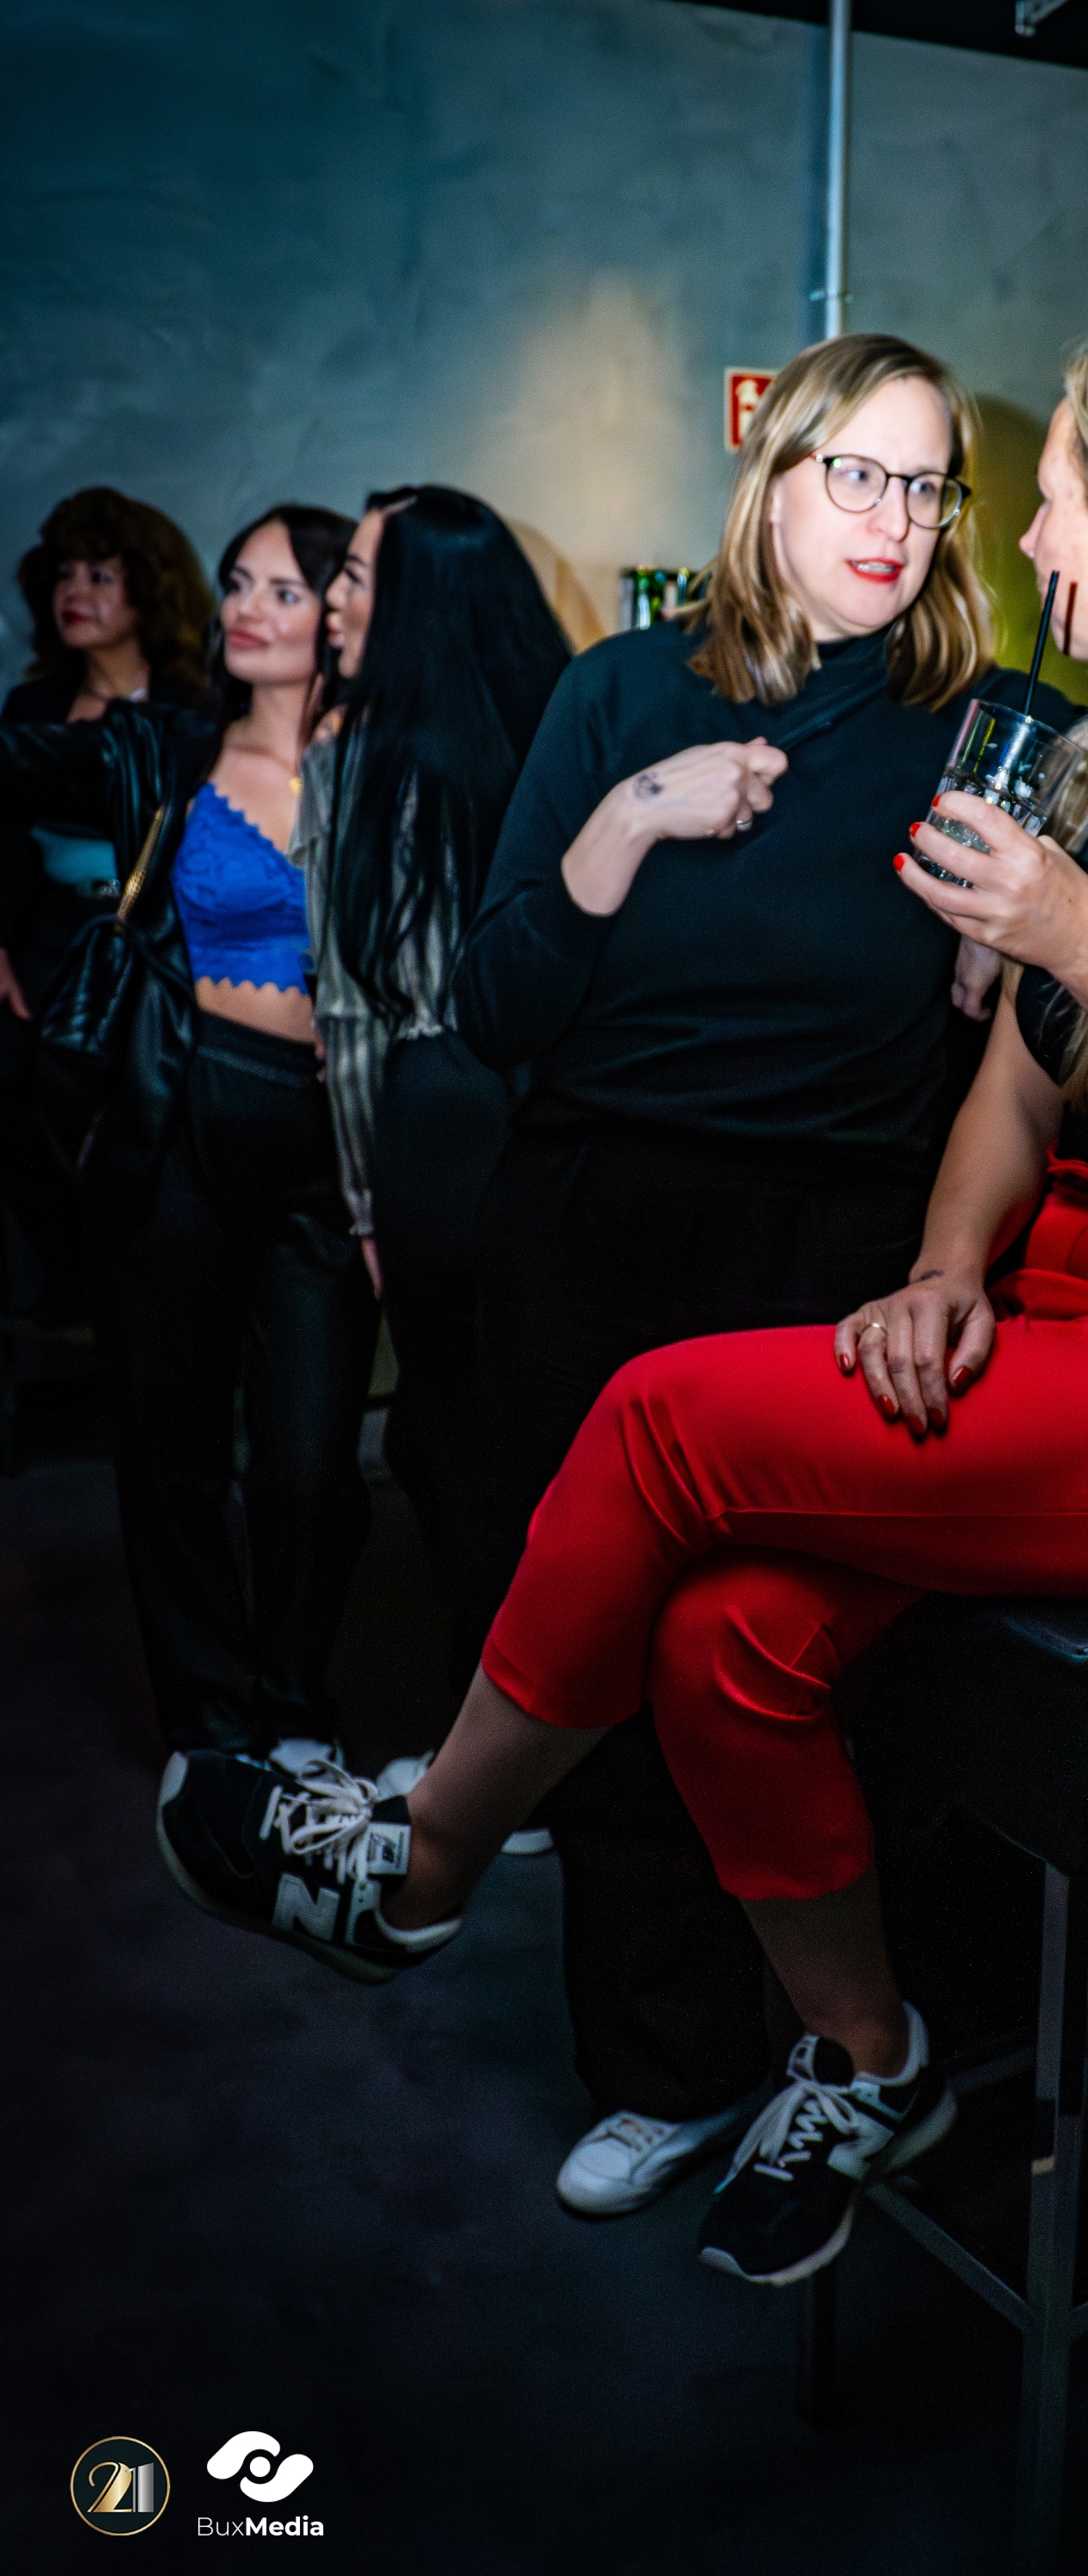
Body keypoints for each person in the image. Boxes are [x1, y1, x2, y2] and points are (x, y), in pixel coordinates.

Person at [159, 310, 1088, 2285]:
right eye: (895, 481)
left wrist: (1072, 941)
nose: (1008, 540)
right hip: (1025, 1302)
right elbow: (1013, 1088)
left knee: (662, 1422)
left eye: (1039, 502)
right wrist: (945, 1268)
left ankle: (418, 1860)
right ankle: (870, 2058)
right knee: (720, 1640)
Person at [380, 333, 1072, 2218]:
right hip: (593, 1227)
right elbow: (497, 1006)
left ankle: (839, 2057)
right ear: (775, 481)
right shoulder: (618, 694)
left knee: (792, 1669)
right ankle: (663, 2069)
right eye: (859, 473)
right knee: (600, 1666)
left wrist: (1004, 964)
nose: (895, 518)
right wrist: (633, 819)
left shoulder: (997, 726)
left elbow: (1050, 1032)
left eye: (928, 486)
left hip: (837, 1249)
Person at [0, 504, 377, 1758]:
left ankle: (294, 1706)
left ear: (341, 613)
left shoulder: (389, 762)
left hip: (326, 1149)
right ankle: (211, 1721)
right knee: (171, 1458)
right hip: (171, 1123)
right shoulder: (157, 748)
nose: (244, 610)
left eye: (281, 591)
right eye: (235, 584)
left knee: (310, 1467)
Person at [301, 486, 569, 1606]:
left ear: (421, 602)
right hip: (566, 1118)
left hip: (441, 1118)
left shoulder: (352, 755)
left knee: (452, 1438)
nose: (332, 600)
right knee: (551, 1434)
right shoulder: (568, 730)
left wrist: (368, 1206)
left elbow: (351, 1013)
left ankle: (481, 1690)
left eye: (358, 577)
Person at [0, 488, 212, 1325]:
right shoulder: (32, 709)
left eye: (100, 574)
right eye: (63, 574)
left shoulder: (195, 712)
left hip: (150, 943)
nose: (74, 592)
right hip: (46, 934)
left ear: (148, 591)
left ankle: (142, 1293)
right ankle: (75, 1286)